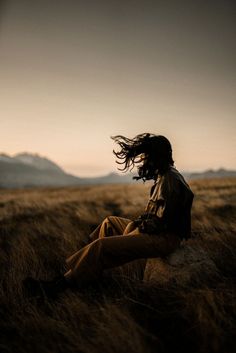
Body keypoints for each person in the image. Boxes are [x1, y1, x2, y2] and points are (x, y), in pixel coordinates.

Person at [24, 133, 194, 299]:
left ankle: (59, 286)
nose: (143, 160)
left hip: (164, 239)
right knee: (109, 223)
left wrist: (137, 227)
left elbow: (163, 223)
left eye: (146, 156)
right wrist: (139, 224)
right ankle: (88, 269)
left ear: (157, 156)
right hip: (158, 233)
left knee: (102, 246)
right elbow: (157, 216)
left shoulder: (169, 180)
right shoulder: (165, 175)